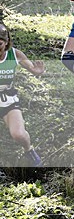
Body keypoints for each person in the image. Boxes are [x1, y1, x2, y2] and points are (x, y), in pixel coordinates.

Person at [0, 24, 45, 166]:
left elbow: (32, 68)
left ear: (6, 42)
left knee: (18, 134)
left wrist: (37, 71)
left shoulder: (15, 54)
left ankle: (29, 150)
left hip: (8, 98)